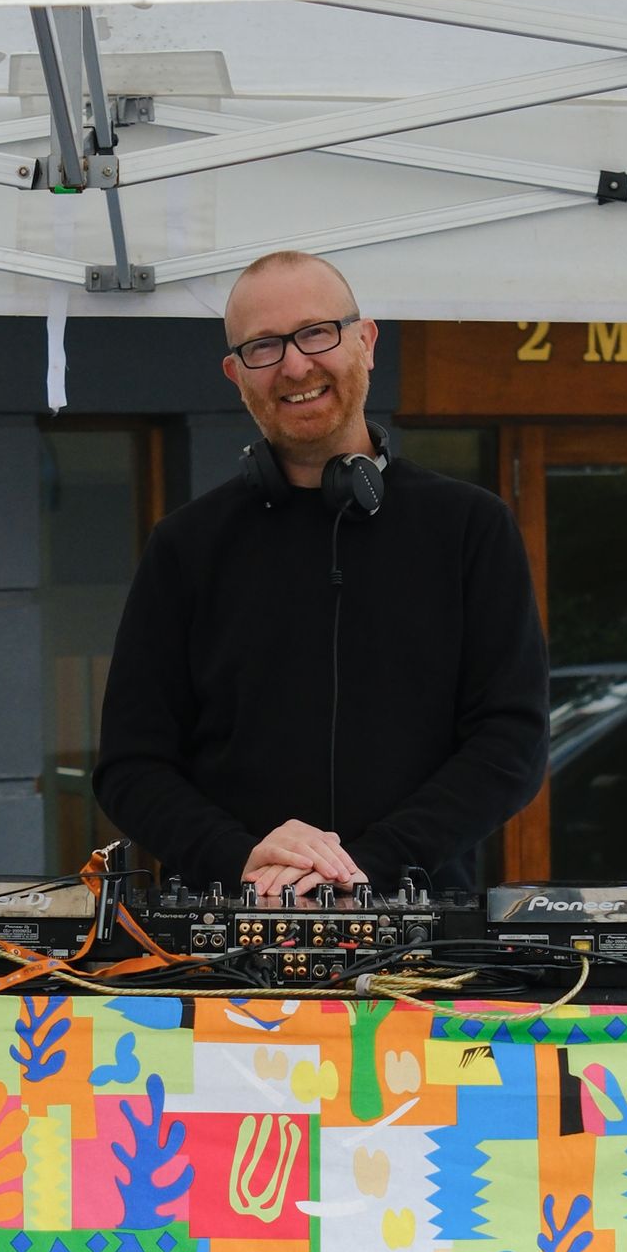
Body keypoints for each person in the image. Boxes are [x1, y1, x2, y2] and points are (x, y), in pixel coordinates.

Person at [93, 249, 548, 900]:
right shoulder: (185, 546)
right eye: (264, 346)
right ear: (236, 374)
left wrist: (365, 868)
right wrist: (242, 861)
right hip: (229, 923)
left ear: (366, 342)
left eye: (316, 333)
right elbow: (131, 766)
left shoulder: (470, 528)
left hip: (417, 929)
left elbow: (512, 744)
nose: (295, 365)